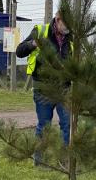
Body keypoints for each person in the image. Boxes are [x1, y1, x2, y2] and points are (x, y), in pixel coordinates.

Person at [16, 12, 72, 165]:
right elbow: (19, 51)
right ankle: (39, 160)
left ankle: (64, 160)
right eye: (66, 24)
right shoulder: (40, 31)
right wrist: (33, 44)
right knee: (44, 125)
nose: (69, 28)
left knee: (67, 124)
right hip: (43, 88)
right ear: (58, 20)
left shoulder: (71, 37)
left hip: (64, 89)